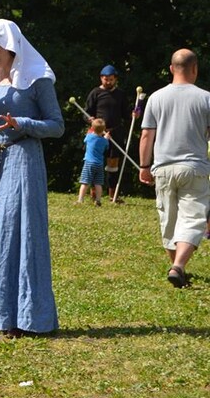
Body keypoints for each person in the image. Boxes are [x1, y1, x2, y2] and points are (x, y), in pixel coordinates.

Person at [0, 19, 64, 336]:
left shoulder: (37, 80)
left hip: (23, 160)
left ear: (10, 47)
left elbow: (56, 125)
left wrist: (22, 122)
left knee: (18, 232)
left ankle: (27, 317)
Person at [138, 48, 210, 288]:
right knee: (192, 219)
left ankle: (177, 267)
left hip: (164, 168)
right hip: (194, 168)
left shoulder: (156, 98)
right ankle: (178, 266)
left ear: (171, 69)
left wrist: (144, 166)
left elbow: (147, 135)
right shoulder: (206, 98)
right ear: (195, 69)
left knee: (168, 219)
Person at [86, 65, 131, 202]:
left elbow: (126, 114)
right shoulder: (95, 93)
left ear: (115, 79)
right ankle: (94, 194)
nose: (108, 82)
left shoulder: (120, 95)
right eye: (105, 79)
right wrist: (90, 119)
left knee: (113, 165)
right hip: (97, 134)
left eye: (111, 79)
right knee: (95, 162)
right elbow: (87, 112)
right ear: (101, 78)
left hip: (114, 133)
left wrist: (134, 114)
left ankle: (113, 195)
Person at [77, 118, 110, 206]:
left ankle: (80, 200)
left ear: (92, 127)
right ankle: (98, 200)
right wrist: (106, 138)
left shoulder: (89, 137)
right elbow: (106, 146)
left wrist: (92, 124)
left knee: (85, 182)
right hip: (99, 164)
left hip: (89, 163)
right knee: (98, 183)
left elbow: (86, 138)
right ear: (103, 129)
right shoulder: (104, 141)